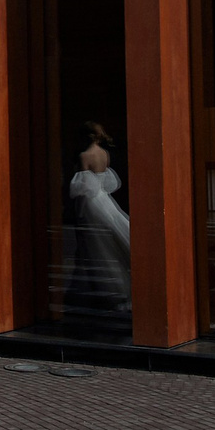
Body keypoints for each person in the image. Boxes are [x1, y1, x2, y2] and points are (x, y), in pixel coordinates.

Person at [64, 120, 132, 322]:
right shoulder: (104, 154)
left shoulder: (85, 156)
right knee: (113, 238)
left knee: (97, 245)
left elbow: (83, 189)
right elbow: (106, 182)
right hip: (106, 201)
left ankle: (103, 288)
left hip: (92, 203)